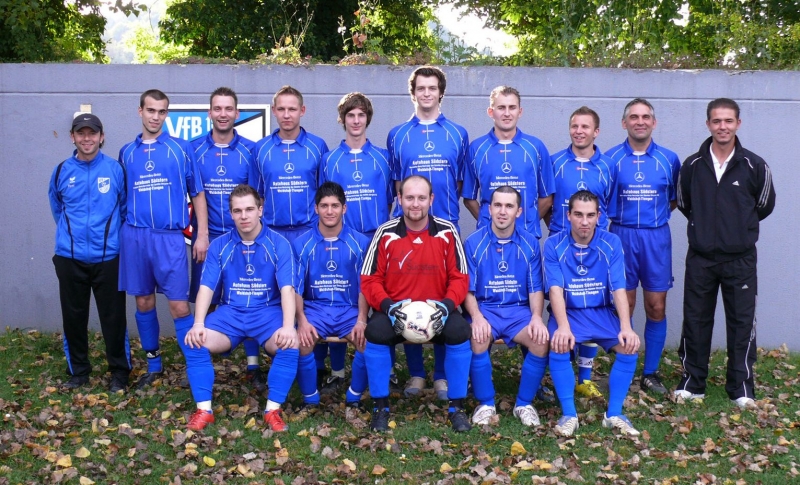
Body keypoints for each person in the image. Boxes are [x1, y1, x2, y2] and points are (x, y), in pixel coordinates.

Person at [675, 98, 775, 408]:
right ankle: (693, 382)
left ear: (738, 124)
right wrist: (706, 228)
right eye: (717, 121)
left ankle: (741, 387)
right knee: (695, 319)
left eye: (728, 121)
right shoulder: (692, 165)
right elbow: (684, 202)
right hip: (701, 257)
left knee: (742, 322)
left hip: (740, 258)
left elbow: (764, 204)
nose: (722, 126)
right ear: (708, 124)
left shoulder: (754, 165)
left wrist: (738, 228)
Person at [181, 184, 298, 432]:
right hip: (230, 314)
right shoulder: (220, 245)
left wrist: (289, 327)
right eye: (237, 211)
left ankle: (272, 411)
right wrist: (199, 323)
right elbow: (206, 287)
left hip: (267, 313)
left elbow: (288, 289)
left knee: (290, 343)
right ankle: (204, 410)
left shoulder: (279, 244)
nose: (243, 216)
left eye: (248, 209)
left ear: (260, 210)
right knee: (194, 341)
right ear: (231, 214)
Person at [361, 175, 473, 432]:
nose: (415, 204)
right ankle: (380, 407)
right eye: (409, 197)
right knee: (375, 332)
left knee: (459, 332)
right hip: (396, 312)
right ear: (399, 199)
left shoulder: (447, 231)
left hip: (437, 311)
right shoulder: (385, 233)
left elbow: (460, 278)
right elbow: (370, 280)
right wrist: (388, 307)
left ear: (431, 200)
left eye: (421, 198)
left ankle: (456, 408)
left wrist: (445, 307)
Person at [387, 66, 469, 399]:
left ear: (441, 93)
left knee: (442, 300)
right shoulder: (397, 135)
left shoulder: (458, 134)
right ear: (413, 93)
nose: (426, 94)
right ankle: (417, 374)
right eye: (420, 88)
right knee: (410, 297)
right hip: (408, 229)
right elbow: (397, 183)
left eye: (432, 88)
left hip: (443, 228)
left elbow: (459, 183)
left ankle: (441, 374)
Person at [118, 89, 209, 389]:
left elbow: (197, 193)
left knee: (179, 306)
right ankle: (153, 365)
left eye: (161, 112)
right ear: (140, 111)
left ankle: (194, 365)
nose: (155, 117)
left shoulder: (181, 149)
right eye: (150, 111)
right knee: (143, 301)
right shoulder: (126, 152)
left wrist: (202, 235)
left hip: (169, 238)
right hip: (135, 236)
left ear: (166, 115)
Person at [545, 190, 640, 437]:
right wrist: (563, 326)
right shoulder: (553, 244)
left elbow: (619, 287)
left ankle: (614, 414)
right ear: (568, 216)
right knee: (559, 344)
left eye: (590, 215)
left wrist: (626, 326)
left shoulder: (612, 243)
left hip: (601, 312)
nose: (584, 221)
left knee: (629, 347)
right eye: (578, 214)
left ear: (599, 216)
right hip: (570, 313)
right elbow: (555, 289)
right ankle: (569, 414)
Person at [189, 87, 265, 392]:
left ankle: (253, 365)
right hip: (208, 237)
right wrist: (203, 234)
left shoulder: (251, 149)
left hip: (242, 236)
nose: (223, 114)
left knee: (247, 295)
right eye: (217, 108)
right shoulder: (193, 149)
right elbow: (196, 193)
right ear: (210, 113)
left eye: (228, 109)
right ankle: (201, 361)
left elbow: (257, 197)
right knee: (204, 299)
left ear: (236, 113)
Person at [49, 113, 131, 392]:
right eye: (81, 133)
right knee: (73, 317)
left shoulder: (115, 170)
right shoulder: (61, 171)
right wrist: (70, 240)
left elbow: (123, 209)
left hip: (108, 258)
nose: (87, 138)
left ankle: (119, 372)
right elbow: (58, 208)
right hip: (70, 258)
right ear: (73, 137)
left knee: (114, 319)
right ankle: (79, 372)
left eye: (92, 133)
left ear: (101, 136)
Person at [605, 98, 681, 395]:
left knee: (656, 305)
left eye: (645, 116)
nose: (640, 121)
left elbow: (673, 199)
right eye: (634, 117)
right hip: (621, 236)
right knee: (625, 305)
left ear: (654, 122)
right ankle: (624, 365)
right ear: (624, 123)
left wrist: (653, 218)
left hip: (655, 237)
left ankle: (650, 373)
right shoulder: (610, 158)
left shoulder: (669, 159)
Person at [318, 92, 393, 393]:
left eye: (361, 115)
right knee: (338, 298)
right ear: (343, 119)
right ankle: (335, 371)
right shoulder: (330, 159)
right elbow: (325, 201)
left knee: (376, 305)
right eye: (351, 115)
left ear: (368, 119)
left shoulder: (383, 157)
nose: (356, 120)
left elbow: (391, 198)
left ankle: (380, 369)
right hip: (341, 241)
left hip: (374, 240)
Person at [464, 186, 549, 426]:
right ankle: (486, 403)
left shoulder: (530, 244)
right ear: (489, 209)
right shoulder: (473, 243)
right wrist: (477, 318)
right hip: (486, 310)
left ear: (519, 211)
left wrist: (536, 318)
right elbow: (467, 291)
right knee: (478, 336)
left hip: (518, 312)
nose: (503, 212)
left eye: (509, 206)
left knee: (540, 340)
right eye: (498, 205)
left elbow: (535, 289)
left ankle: (524, 404)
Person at [548, 106, 616, 398]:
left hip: (595, 247)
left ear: (596, 131)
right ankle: (559, 373)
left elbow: (609, 204)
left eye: (585, 126)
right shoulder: (554, 163)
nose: (579, 131)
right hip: (560, 243)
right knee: (561, 305)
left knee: (590, 304)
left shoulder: (608, 166)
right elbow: (547, 202)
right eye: (574, 126)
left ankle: (584, 378)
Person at [294, 182, 370, 409]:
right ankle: (310, 400)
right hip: (315, 311)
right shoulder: (301, 244)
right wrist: (302, 321)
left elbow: (365, 287)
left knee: (369, 343)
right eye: (324, 205)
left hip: (349, 311)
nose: (329, 211)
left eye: (335, 206)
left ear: (344, 209)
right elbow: (295, 289)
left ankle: (354, 397)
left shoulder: (361, 243)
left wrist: (362, 320)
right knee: (301, 342)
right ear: (315, 208)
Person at [463, 85, 554, 238]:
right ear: (491, 112)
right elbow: (469, 198)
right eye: (501, 108)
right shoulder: (476, 148)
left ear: (520, 111)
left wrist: (527, 222)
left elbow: (547, 197)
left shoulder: (535, 147)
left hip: (527, 237)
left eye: (512, 107)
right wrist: (489, 222)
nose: (507, 113)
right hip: (488, 238)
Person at [251, 85, 329, 244]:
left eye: (292, 109)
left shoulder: (318, 146)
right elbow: (255, 195)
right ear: (274, 111)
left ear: (302, 110)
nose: (286, 115)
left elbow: (327, 193)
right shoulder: (260, 149)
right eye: (281, 109)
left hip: (310, 231)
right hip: (271, 232)